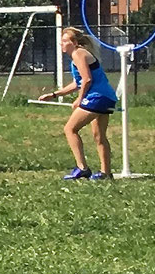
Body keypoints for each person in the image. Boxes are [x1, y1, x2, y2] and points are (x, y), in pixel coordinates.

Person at [47, 27, 117, 180]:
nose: (61, 44)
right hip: (107, 97)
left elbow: (87, 80)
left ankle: (82, 168)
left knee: (70, 129)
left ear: (74, 43)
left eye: (65, 41)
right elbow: (77, 83)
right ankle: (106, 173)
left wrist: (79, 99)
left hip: (97, 97)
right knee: (99, 136)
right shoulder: (77, 56)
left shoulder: (78, 54)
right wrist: (54, 94)